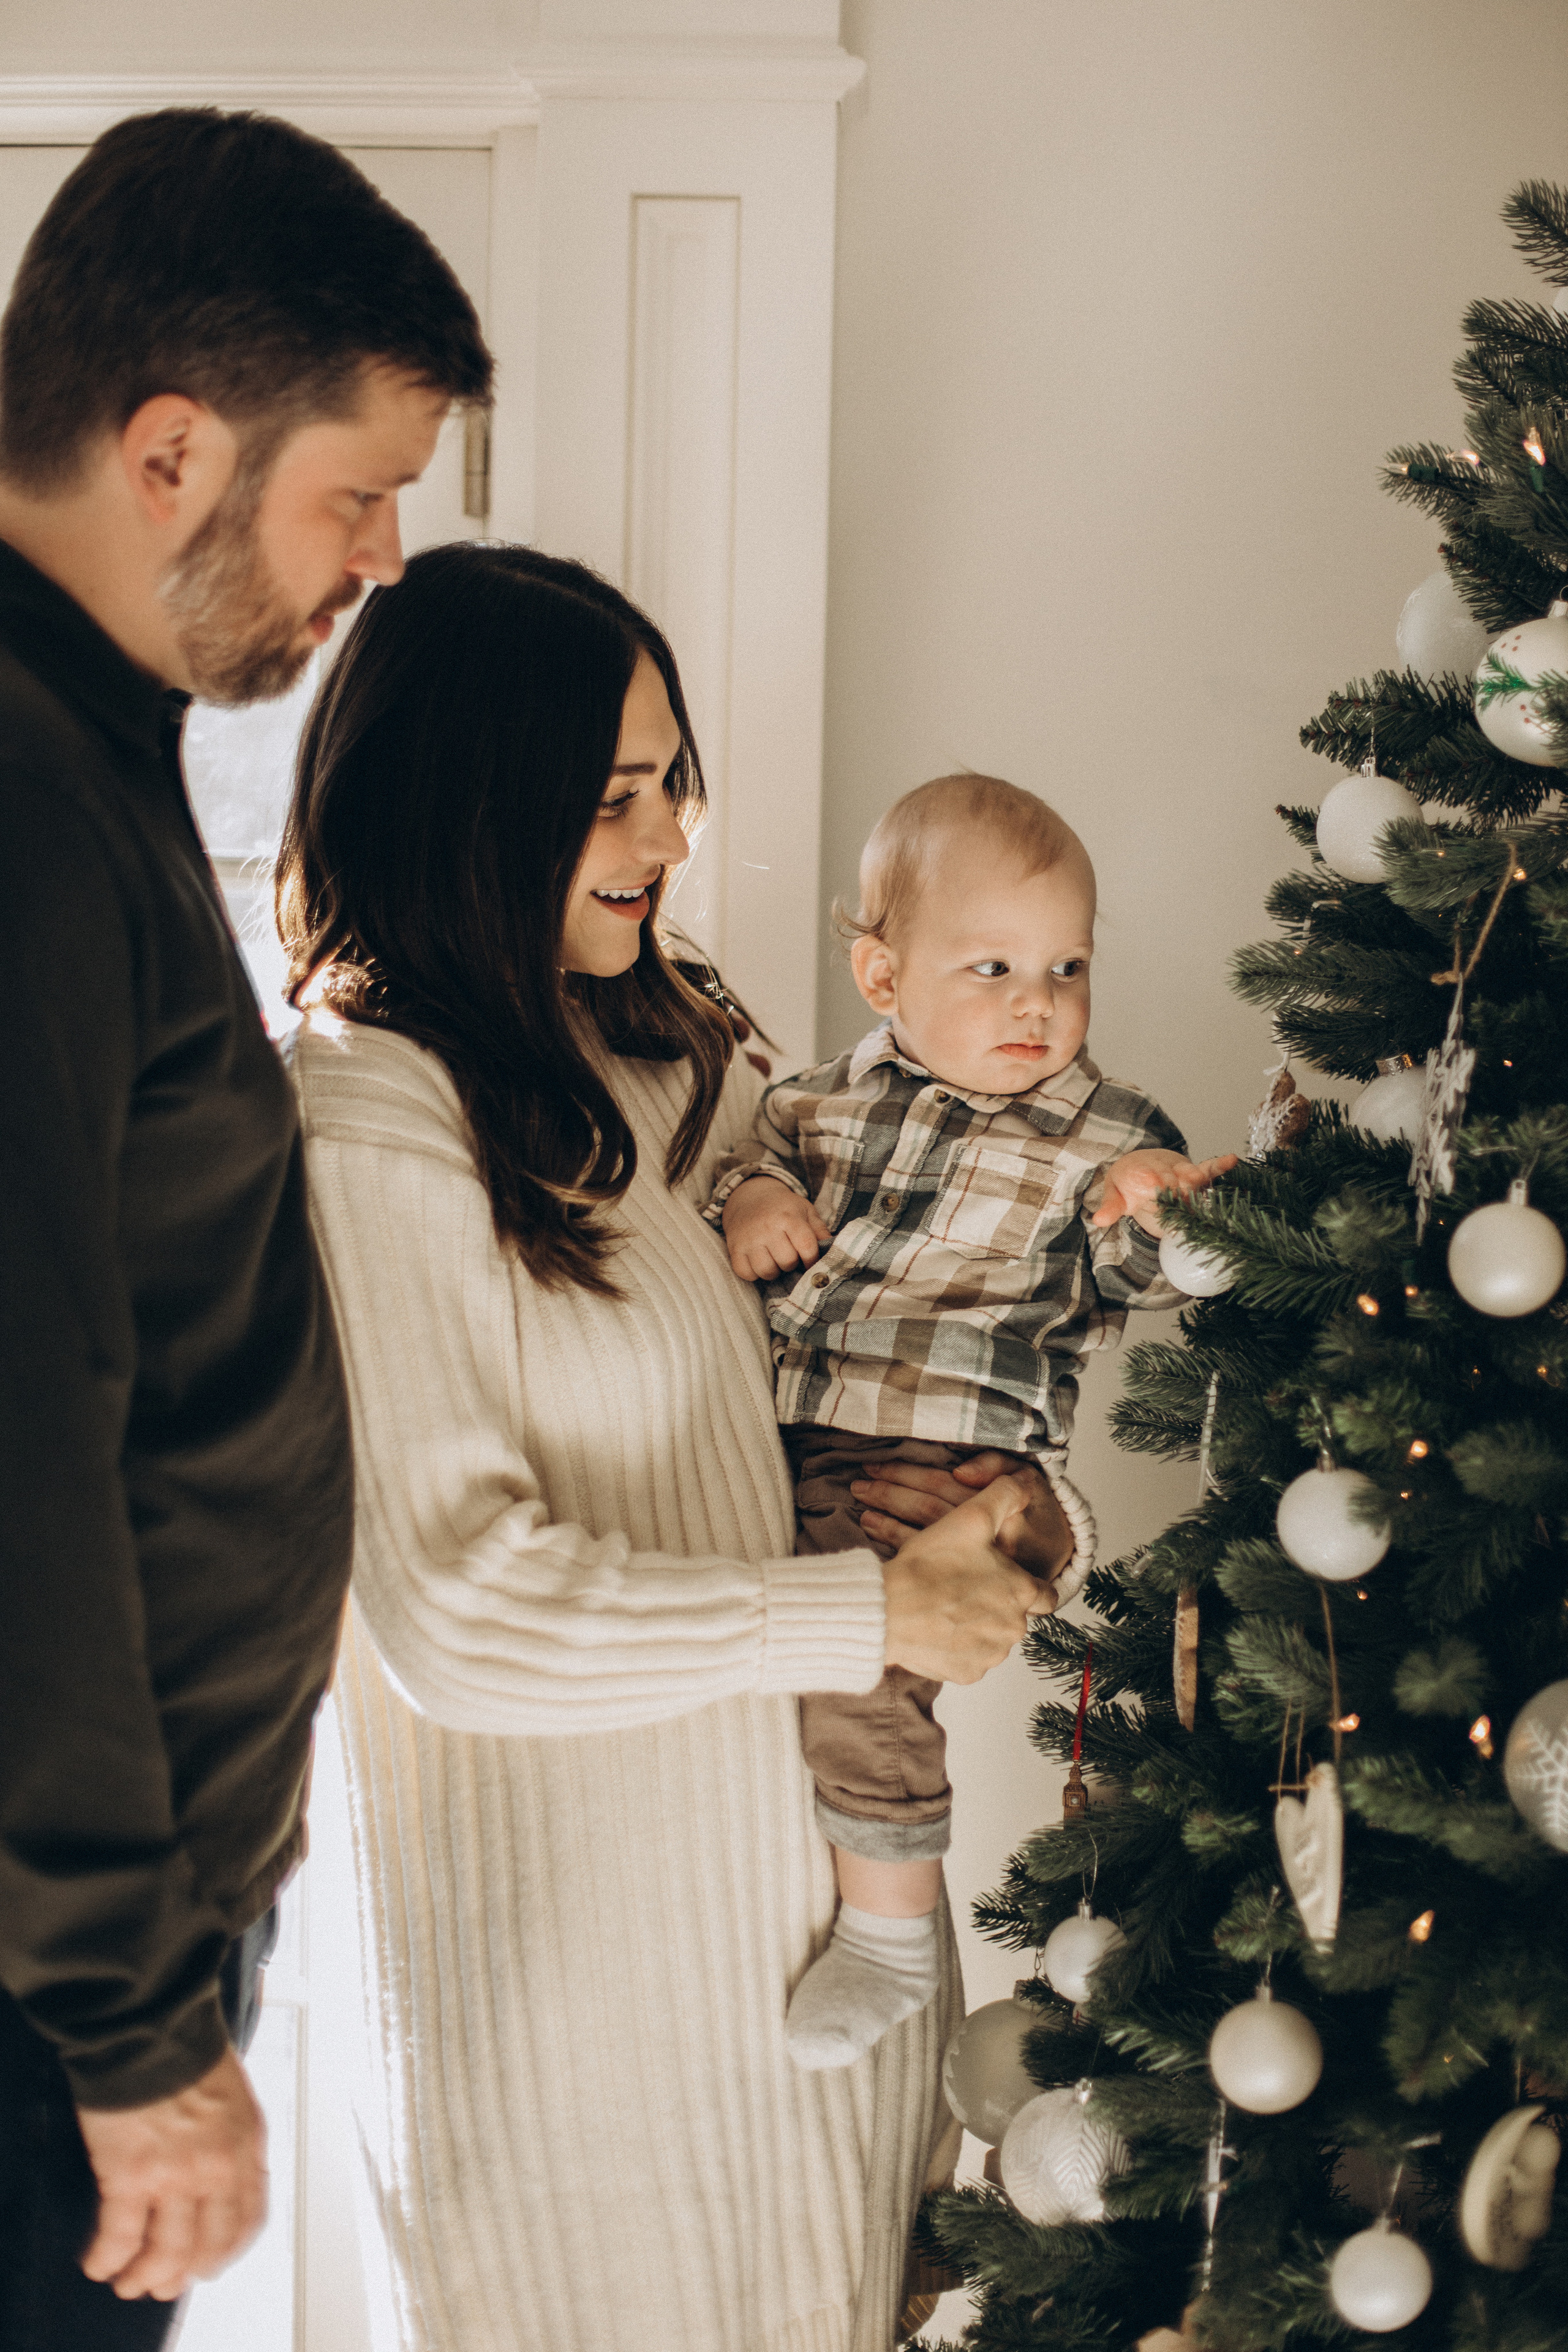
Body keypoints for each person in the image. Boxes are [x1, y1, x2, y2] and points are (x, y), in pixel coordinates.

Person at [276, 543, 1054, 2352]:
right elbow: (456, 1612)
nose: (674, 831)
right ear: (472, 800)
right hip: (575, 2053)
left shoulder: (663, 1052)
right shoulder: (368, 1116)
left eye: (671, 777)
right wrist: (863, 1614)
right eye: (617, 794)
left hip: (813, 1984)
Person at [0, 108, 491, 2346]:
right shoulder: (20, 800)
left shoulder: (81, 770)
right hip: (46, 1997)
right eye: (358, 492)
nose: (382, 557)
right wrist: (125, 2021)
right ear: (175, 445)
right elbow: (18, 1437)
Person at [710, 774, 1237, 2068]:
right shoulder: (815, 1105)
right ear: (881, 975)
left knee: (865, 1675)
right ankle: (873, 1891)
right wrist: (753, 1201)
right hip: (809, 1436)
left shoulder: (1104, 1134)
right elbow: (751, 1164)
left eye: (1065, 965)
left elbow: (1129, 1281)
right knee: (800, 1665)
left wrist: (1158, 1215)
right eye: (991, 965)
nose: (1036, 1002)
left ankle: (889, 1936)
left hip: (958, 1452)